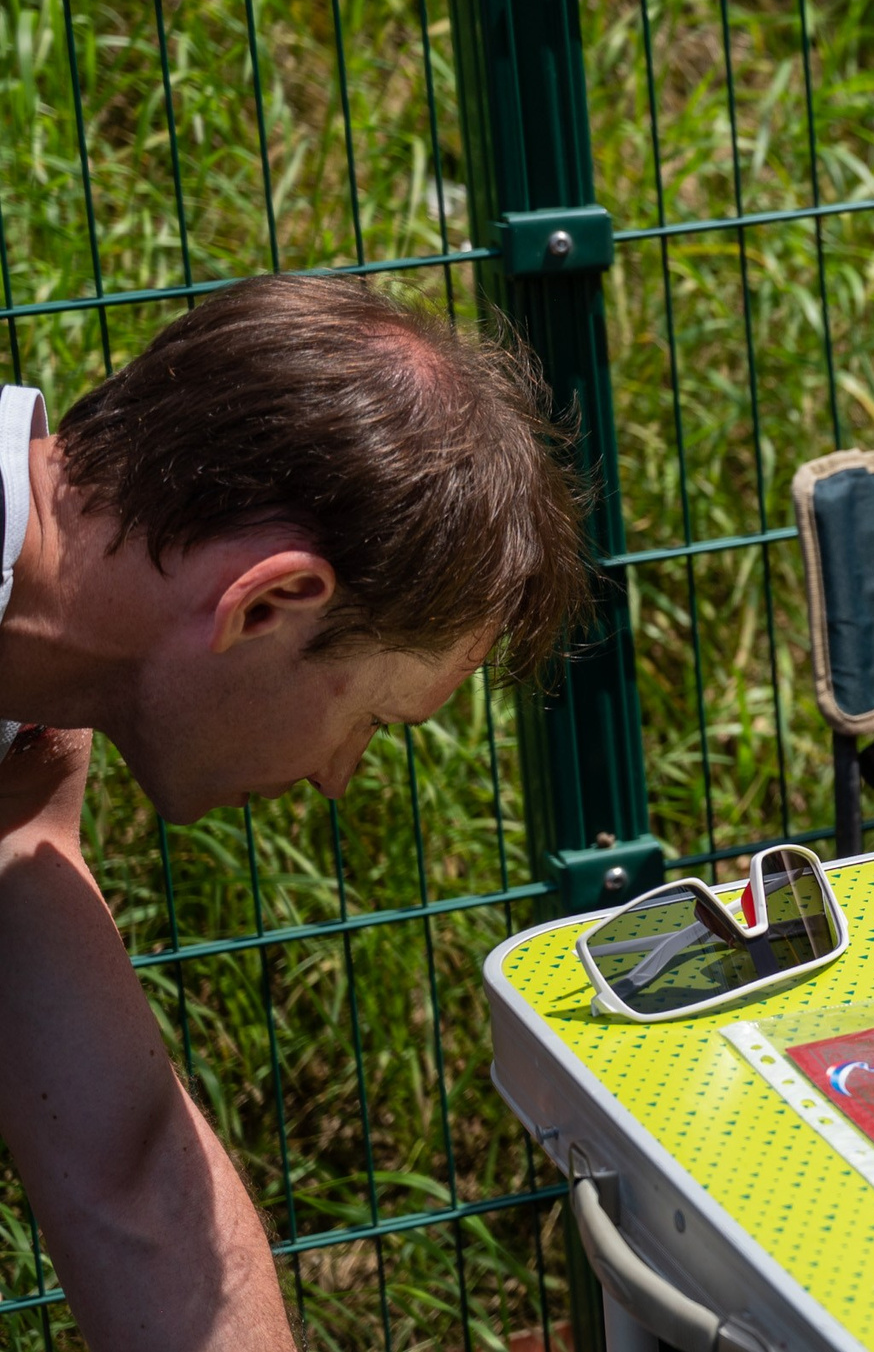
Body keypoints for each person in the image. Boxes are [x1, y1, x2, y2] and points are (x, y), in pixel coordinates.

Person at [0, 276, 589, 1351]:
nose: (337, 778)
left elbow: (129, 1170)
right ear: (269, 603)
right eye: (372, 720)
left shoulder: (31, 720)